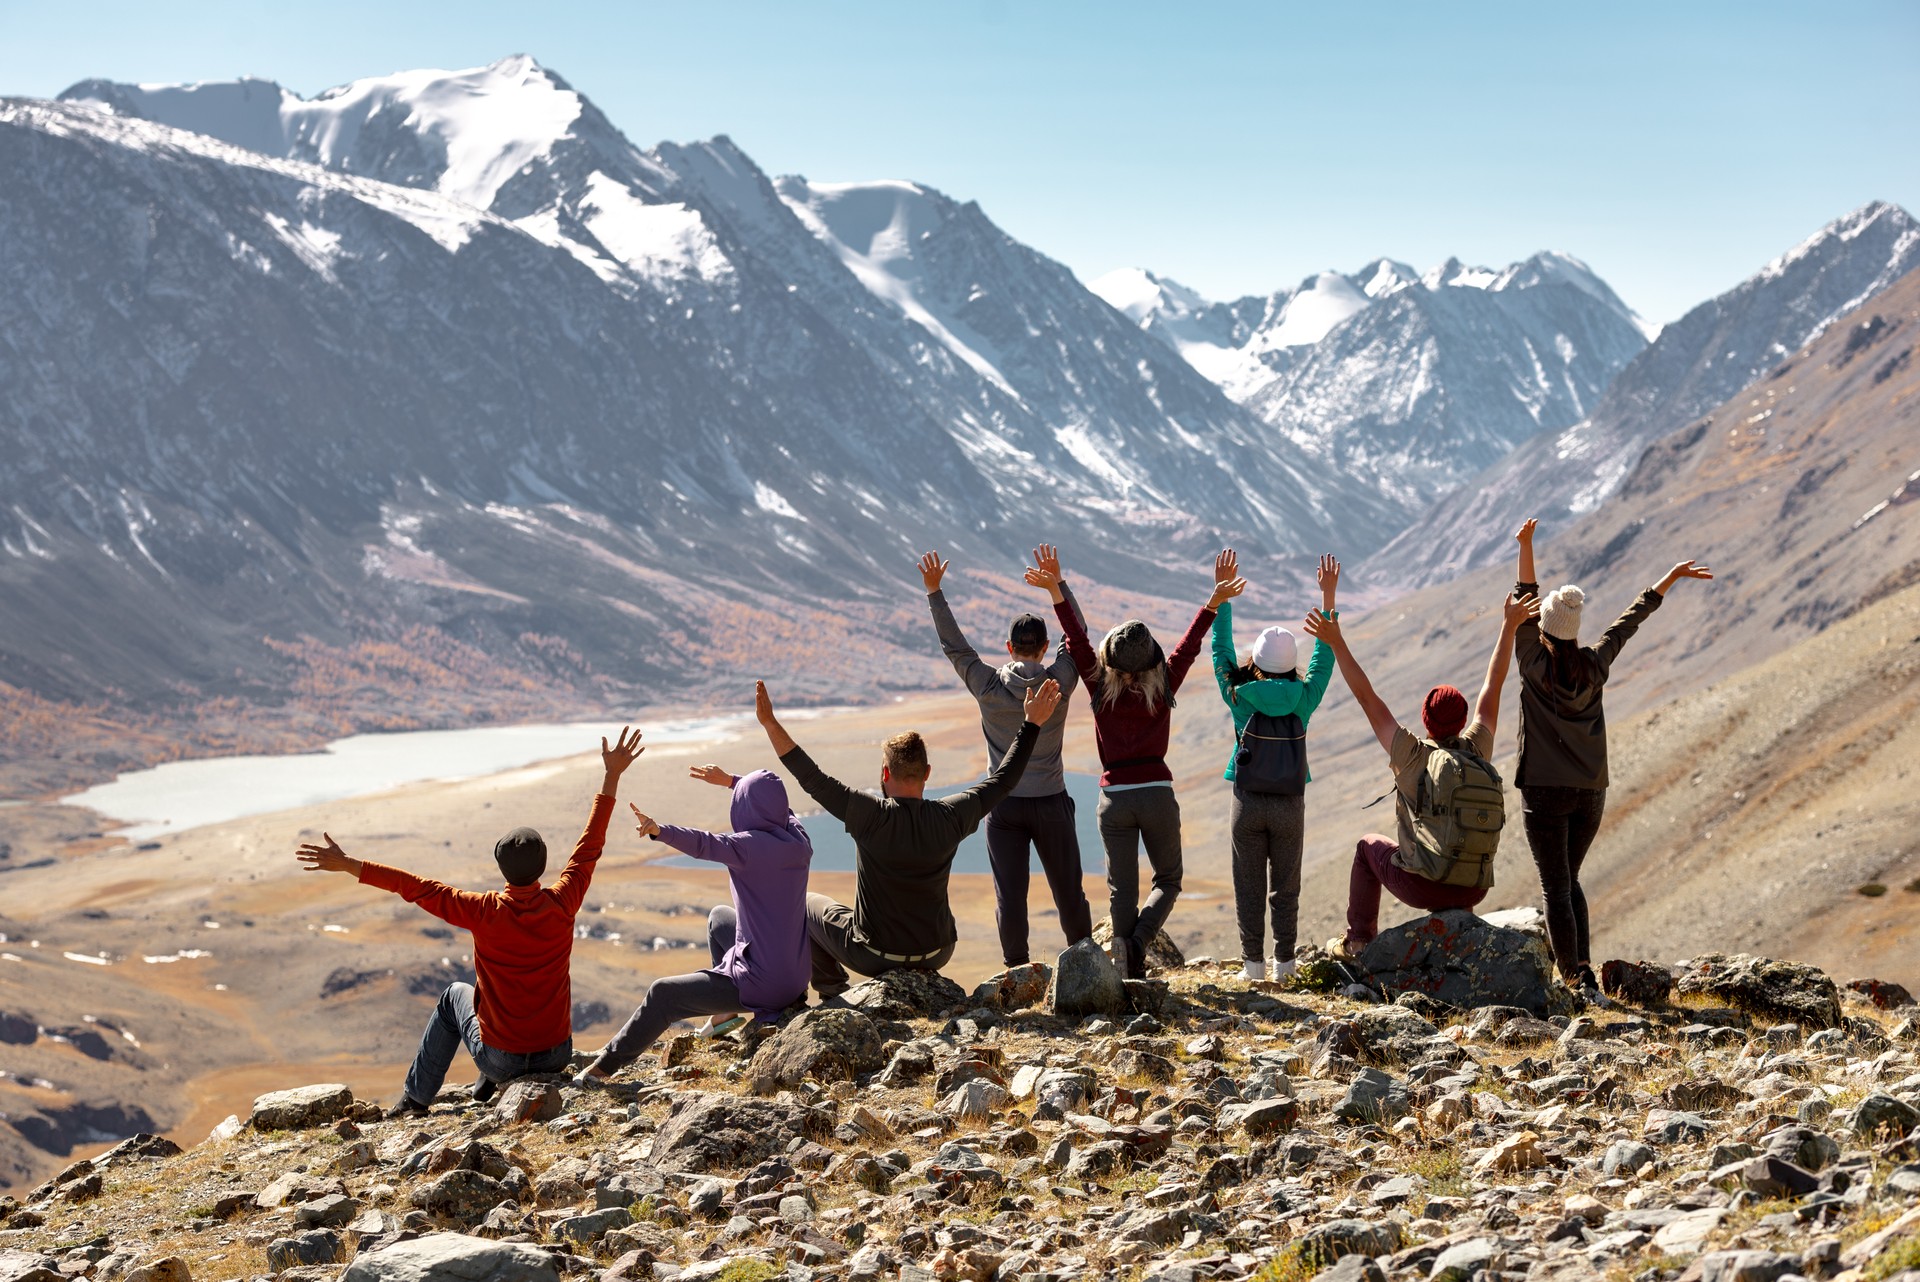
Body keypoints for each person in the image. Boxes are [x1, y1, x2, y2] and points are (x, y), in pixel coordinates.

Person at [295, 727, 645, 1116]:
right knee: (485, 987)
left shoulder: (481, 910)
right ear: (544, 864)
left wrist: (350, 865)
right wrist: (612, 774)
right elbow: (590, 845)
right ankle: (484, 1085)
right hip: (556, 1054)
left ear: (501, 867)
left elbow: (415, 887)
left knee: (454, 996)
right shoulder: (565, 900)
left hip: (502, 1059)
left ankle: (415, 1100)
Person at [756, 677, 1061, 997]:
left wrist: (770, 724)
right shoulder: (950, 816)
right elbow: (1004, 780)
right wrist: (1032, 723)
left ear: (885, 773)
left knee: (804, 904)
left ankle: (833, 994)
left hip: (874, 956)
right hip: (937, 953)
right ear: (927, 773)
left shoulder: (869, 815)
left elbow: (811, 778)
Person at [1512, 518, 1713, 999]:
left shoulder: (1533, 662)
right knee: (1569, 879)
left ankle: (1579, 984)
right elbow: (1630, 621)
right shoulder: (1596, 663)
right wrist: (1667, 579)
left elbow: (1525, 595)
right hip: (1591, 793)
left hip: (1544, 790)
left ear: (1543, 629)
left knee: (1556, 887)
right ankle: (1582, 969)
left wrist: (1525, 545)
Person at [1027, 547, 1243, 979]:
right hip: (1158, 795)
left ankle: (1125, 971)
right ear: (1151, 662)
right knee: (1168, 880)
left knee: (1120, 890)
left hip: (1114, 799)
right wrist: (1213, 603)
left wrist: (1056, 590)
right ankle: (1138, 945)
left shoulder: (1097, 686)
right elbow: (1188, 647)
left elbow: (1076, 639)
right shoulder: (1163, 687)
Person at [1304, 591, 1536, 957]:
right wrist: (1508, 626)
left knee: (1367, 847)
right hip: (1474, 889)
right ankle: (1458, 933)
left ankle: (1359, 941)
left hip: (1423, 888)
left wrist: (1336, 642)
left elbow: (1366, 697)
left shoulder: (1411, 756)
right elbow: (1494, 685)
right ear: (1462, 723)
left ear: (1426, 722)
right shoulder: (1477, 750)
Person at [574, 759, 814, 1080]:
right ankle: (725, 1013)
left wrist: (659, 831)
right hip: (796, 978)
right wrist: (732, 780)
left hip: (765, 983)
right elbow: (781, 807)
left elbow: (704, 843)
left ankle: (600, 1071)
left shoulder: (748, 847)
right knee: (719, 919)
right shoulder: (799, 840)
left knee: (663, 995)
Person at [918, 546, 1094, 968]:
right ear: (1045, 646)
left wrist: (935, 593)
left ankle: (1015, 973)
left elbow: (956, 649)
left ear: (1009, 646)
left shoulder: (989, 688)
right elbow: (1080, 639)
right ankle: (1086, 966)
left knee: (1010, 895)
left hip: (1003, 805)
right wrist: (1058, 586)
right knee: (1068, 889)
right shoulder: (1059, 683)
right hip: (1051, 802)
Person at [1211, 550, 1339, 983]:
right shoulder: (1304, 699)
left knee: (1247, 886)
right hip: (1290, 802)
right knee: (1286, 887)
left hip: (1246, 801)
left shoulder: (1240, 694)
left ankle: (1252, 968)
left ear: (1258, 662)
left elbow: (1220, 652)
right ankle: (1286, 967)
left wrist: (1222, 599)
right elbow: (1324, 661)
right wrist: (1328, 598)